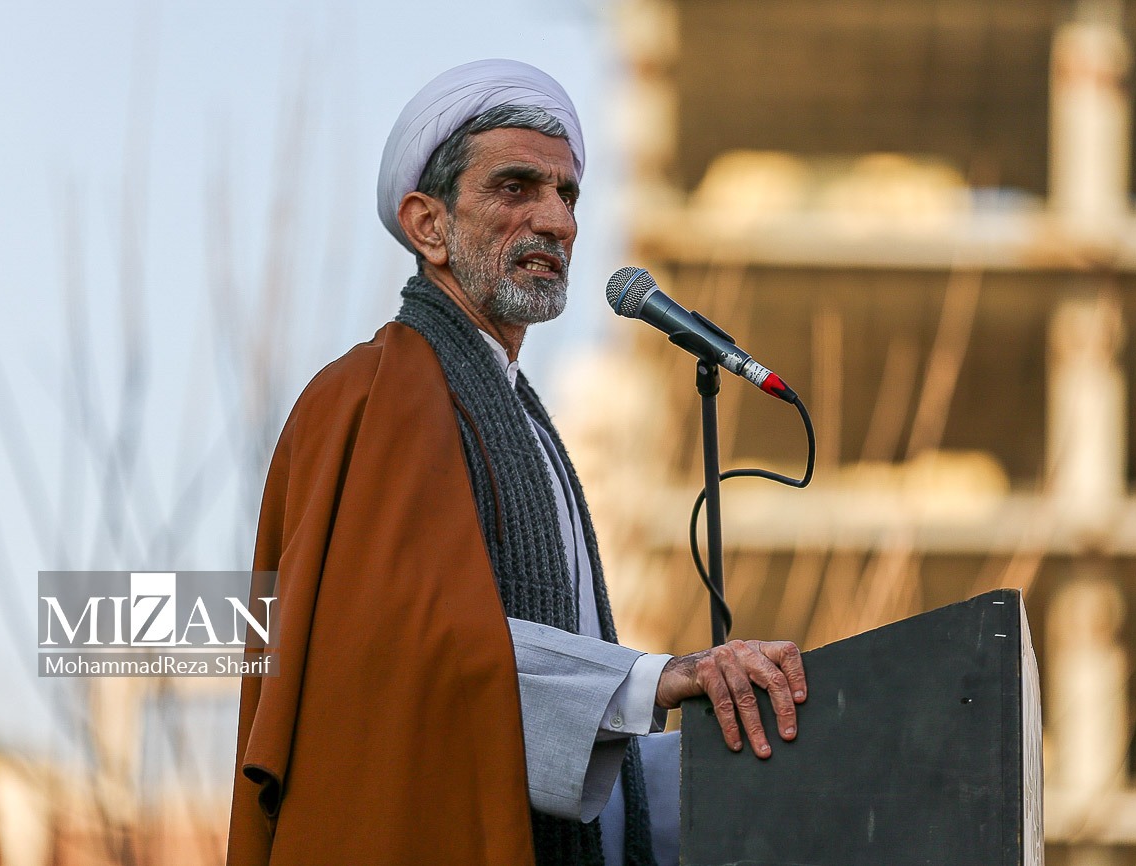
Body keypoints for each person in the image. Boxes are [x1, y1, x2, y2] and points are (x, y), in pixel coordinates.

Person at [227, 59, 807, 866]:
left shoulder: (526, 421)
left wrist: (749, 753)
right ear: (429, 226)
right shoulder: (371, 394)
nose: (557, 221)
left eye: (567, 195)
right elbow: (402, 657)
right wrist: (654, 679)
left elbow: (552, 749)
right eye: (516, 188)